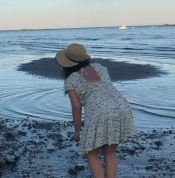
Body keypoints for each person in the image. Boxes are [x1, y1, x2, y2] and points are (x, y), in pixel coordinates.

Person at [55, 43, 134, 178]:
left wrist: (77, 130)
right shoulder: (100, 67)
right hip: (122, 106)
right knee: (110, 152)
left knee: (91, 153)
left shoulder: (71, 79)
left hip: (101, 111)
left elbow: (76, 107)